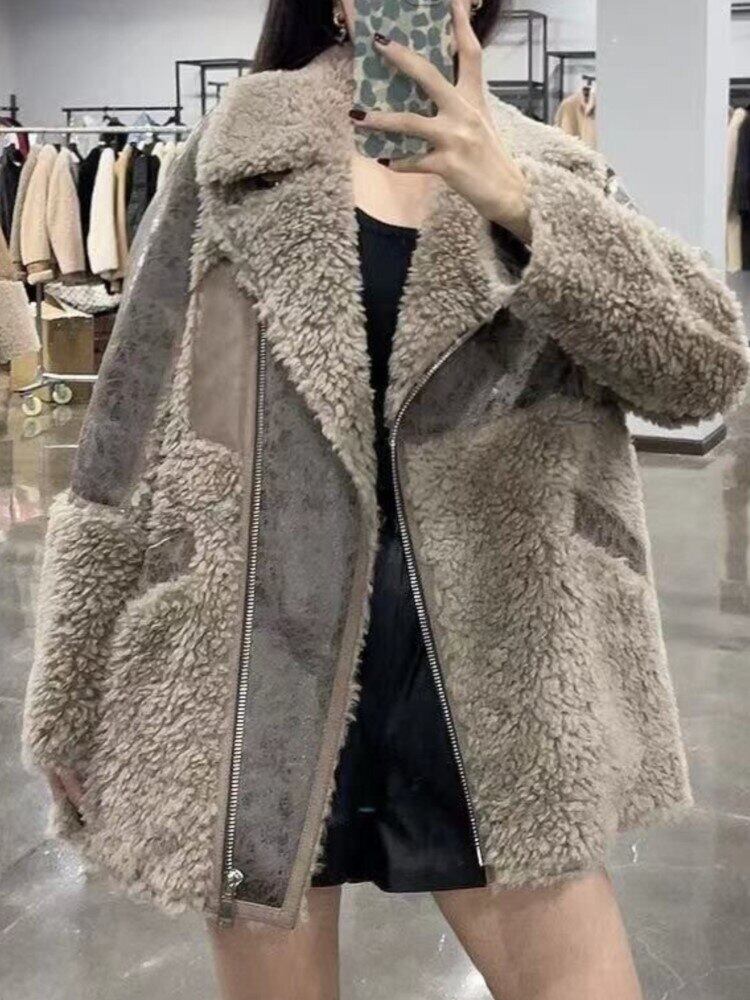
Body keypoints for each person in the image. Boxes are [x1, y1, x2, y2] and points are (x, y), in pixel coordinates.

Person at [22, 1, 749, 999]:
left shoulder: (553, 170)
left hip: (500, 679)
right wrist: (68, 688)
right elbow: (124, 431)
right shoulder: (233, 160)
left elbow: (705, 368)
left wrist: (522, 201)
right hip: (260, 674)